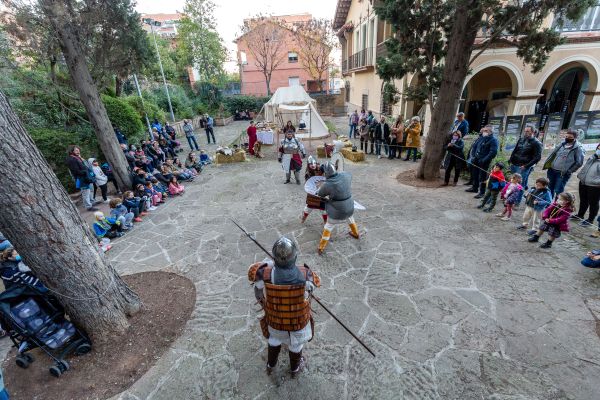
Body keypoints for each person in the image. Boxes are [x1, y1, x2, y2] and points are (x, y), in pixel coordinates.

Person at [247, 236, 320, 377]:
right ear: (295, 257)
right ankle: (294, 369)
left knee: (274, 340)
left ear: (274, 258)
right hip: (297, 323)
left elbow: (258, 293)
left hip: (275, 321)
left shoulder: (264, 274)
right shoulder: (306, 275)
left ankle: (271, 365)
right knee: (296, 345)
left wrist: (266, 306)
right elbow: (312, 290)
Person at [316, 162, 360, 254]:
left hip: (336, 211)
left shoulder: (327, 184)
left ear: (326, 173)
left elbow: (320, 194)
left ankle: (321, 247)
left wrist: (319, 187)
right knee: (350, 219)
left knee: (328, 226)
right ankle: (356, 234)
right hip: (349, 207)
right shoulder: (345, 175)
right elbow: (348, 176)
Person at [543, 128, 585, 198]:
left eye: (570, 137)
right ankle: (549, 205)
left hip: (562, 173)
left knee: (558, 190)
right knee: (550, 188)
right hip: (551, 170)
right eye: (566, 137)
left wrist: (569, 171)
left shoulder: (578, 148)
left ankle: (557, 206)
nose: (567, 138)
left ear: (575, 138)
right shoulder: (562, 144)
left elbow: (579, 162)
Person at [509, 125, 543, 192]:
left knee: (520, 184)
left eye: (527, 131)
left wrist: (526, 166)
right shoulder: (521, 139)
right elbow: (515, 150)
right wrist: (511, 159)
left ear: (533, 132)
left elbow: (537, 157)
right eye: (525, 131)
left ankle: (517, 200)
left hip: (523, 166)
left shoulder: (537, 143)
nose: (525, 132)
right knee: (513, 181)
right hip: (514, 163)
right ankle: (511, 196)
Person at [468, 125, 498, 197]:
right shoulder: (482, 138)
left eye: (486, 131)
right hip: (476, 159)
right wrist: (474, 156)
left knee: (483, 177)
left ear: (491, 132)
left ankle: (482, 192)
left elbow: (493, 152)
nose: (484, 132)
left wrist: (484, 160)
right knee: (475, 174)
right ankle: (475, 188)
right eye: (484, 130)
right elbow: (475, 147)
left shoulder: (493, 140)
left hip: (484, 161)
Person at [575, 143, 600, 226]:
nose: (599, 150)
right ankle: (580, 215)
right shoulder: (593, 157)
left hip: (594, 186)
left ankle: (590, 219)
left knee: (593, 203)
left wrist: (596, 182)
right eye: (598, 148)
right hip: (583, 182)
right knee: (583, 200)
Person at [66, 145, 97, 211]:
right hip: (81, 178)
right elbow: (76, 171)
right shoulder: (71, 159)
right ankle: (88, 207)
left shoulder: (76, 158)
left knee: (88, 191)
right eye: (76, 150)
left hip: (85, 177)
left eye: (78, 150)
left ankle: (91, 203)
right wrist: (85, 172)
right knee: (85, 192)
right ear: (72, 151)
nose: (78, 151)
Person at [301, 156, 327, 224]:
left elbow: (328, 173)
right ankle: (304, 218)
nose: (313, 165)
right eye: (310, 164)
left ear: (316, 163)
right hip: (312, 193)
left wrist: (326, 168)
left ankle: (325, 221)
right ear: (308, 165)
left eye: (314, 163)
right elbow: (310, 182)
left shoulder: (320, 168)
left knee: (324, 210)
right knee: (308, 208)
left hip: (321, 193)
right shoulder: (308, 173)